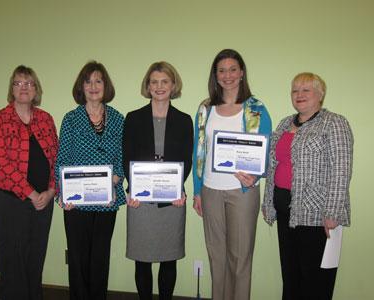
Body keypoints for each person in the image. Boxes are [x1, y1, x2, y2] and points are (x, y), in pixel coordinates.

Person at [262, 72, 354, 300]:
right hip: (285, 211)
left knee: (315, 280)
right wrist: (268, 202)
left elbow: (341, 170)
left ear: (320, 94)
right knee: (290, 275)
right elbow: (273, 166)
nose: (299, 95)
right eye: (295, 90)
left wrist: (332, 212)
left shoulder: (334, 122)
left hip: (316, 215)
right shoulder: (285, 123)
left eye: (306, 90)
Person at [192, 49, 272, 300]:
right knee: (216, 256)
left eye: (232, 69)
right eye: (221, 70)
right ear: (215, 76)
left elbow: (266, 150)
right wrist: (197, 191)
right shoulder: (205, 109)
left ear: (241, 73)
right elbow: (198, 149)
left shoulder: (256, 108)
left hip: (242, 191)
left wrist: (256, 176)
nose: (227, 75)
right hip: (210, 189)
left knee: (240, 258)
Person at [123, 61, 193, 300]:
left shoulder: (184, 120)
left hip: (171, 200)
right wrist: (131, 190)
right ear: (148, 86)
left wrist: (177, 188)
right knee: (142, 260)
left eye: (165, 81)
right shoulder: (133, 118)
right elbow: (127, 157)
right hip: (140, 201)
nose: (159, 86)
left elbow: (186, 159)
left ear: (173, 85)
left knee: (168, 258)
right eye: (154, 82)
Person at [55, 61, 125, 299]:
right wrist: (64, 193)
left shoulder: (117, 118)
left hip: (108, 200)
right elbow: (62, 159)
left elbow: (122, 157)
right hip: (76, 202)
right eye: (88, 81)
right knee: (77, 259)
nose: (93, 86)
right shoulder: (70, 119)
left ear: (105, 86)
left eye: (98, 81)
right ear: (81, 87)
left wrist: (113, 185)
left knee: (99, 258)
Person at [0, 65, 58, 300]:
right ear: (12, 89)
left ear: (36, 88)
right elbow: (1, 164)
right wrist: (31, 193)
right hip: (8, 200)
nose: (23, 88)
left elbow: (56, 159)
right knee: (12, 259)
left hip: (43, 200)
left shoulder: (46, 119)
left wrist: (50, 192)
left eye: (28, 83)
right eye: (18, 83)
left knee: (35, 257)